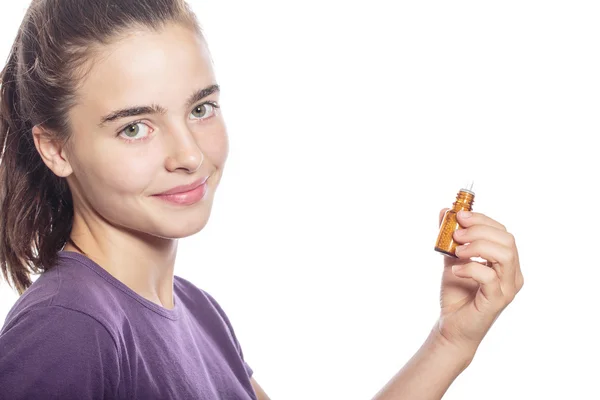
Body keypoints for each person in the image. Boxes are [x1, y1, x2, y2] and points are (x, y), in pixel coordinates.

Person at [0, 1, 524, 399]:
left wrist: (452, 339)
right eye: (135, 126)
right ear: (55, 147)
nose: (188, 155)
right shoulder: (68, 328)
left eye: (201, 109)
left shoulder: (202, 315)